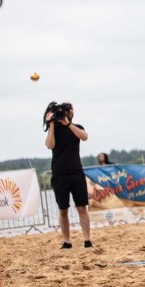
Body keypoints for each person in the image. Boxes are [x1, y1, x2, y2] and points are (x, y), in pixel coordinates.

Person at [44, 101, 93, 249]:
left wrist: (67, 124)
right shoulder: (54, 130)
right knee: (63, 209)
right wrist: (51, 125)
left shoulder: (76, 127)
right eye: (66, 109)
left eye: (69, 109)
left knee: (82, 207)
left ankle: (87, 239)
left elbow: (84, 137)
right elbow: (49, 145)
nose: (68, 111)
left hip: (76, 172)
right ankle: (67, 241)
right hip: (59, 174)